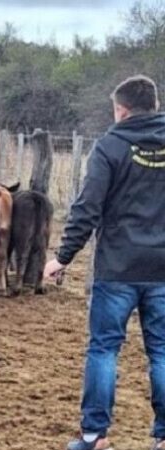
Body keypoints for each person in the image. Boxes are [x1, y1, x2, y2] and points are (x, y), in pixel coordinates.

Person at [43, 75, 165, 450]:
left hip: (117, 268)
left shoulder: (110, 147)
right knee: (161, 349)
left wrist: (63, 256)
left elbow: (87, 207)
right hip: (163, 268)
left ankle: (94, 435)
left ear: (120, 109)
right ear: (155, 106)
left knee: (104, 348)